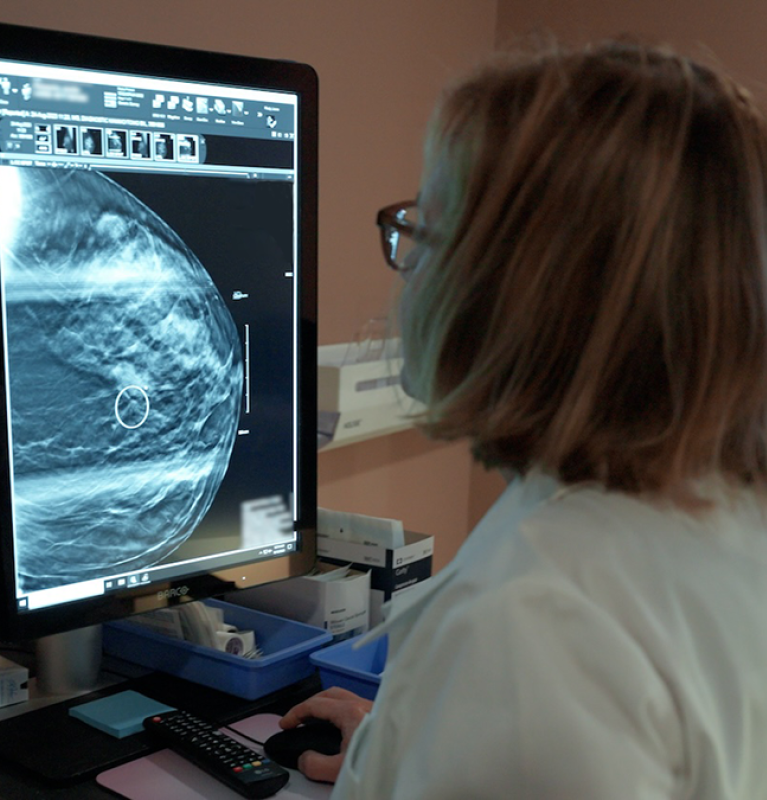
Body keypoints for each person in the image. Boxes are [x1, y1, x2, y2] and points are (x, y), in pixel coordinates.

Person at [281, 40, 767, 797]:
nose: (405, 259)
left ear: (509, 292)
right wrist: (405, 747)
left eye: (424, 226)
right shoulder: (716, 508)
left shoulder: (533, 630)